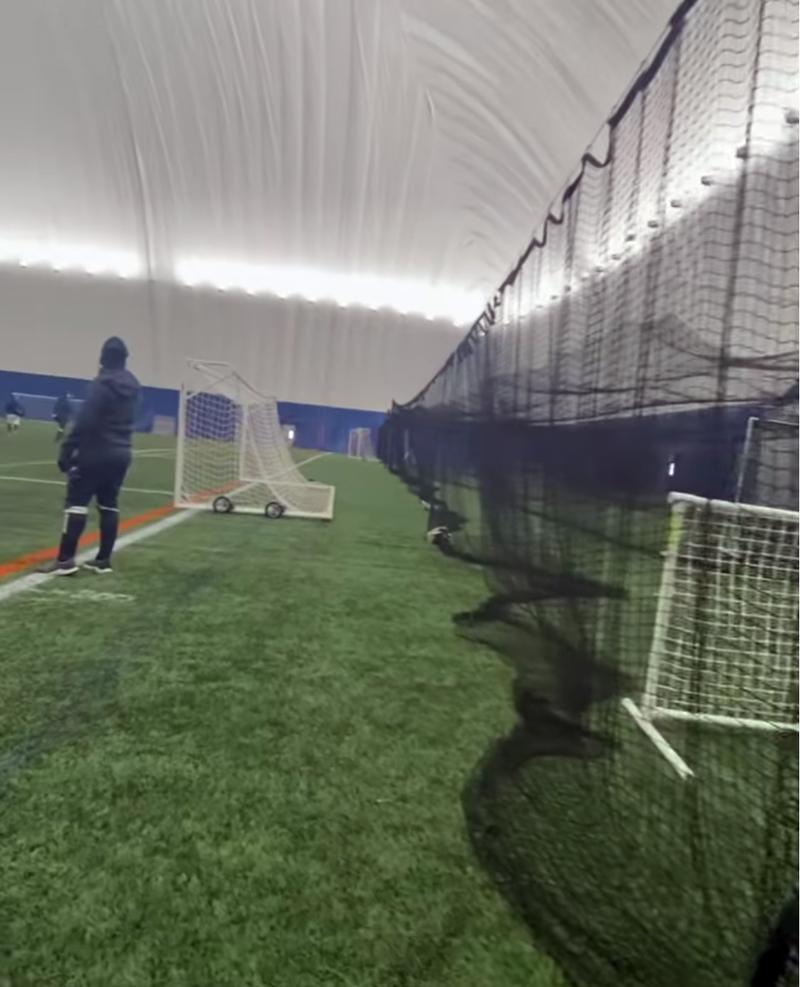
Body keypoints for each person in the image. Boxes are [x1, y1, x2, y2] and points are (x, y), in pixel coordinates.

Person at [39, 337, 140, 576]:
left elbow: (86, 420)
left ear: (103, 358)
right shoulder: (134, 386)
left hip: (95, 451)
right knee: (109, 505)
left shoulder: (101, 384)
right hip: (122, 452)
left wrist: (67, 450)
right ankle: (103, 560)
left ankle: (65, 561)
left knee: (76, 502)